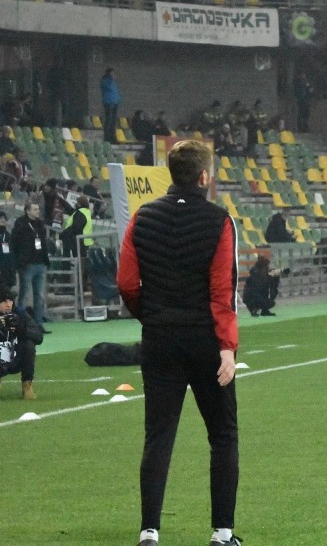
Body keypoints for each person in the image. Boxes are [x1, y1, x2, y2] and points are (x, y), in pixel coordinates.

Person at [116, 140, 242, 546]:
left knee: (159, 434)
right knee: (222, 435)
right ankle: (222, 534)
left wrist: (149, 315)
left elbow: (125, 282)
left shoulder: (143, 217)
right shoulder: (219, 221)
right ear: (205, 176)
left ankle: (149, 531)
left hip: (160, 339)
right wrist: (227, 345)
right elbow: (223, 288)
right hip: (206, 339)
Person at [10, 201, 50, 335]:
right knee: (23, 294)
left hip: (39, 263)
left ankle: (38, 324)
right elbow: (14, 243)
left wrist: (45, 259)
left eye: (38, 209)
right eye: (35, 209)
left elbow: (42, 241)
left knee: (39, 296)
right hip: (27, 265)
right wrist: (20, 261)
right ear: (27, 211)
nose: (38, 211)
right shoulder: (21, 223)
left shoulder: (39, 224)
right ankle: (20, 324)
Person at [0, 285, 43, 400]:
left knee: (29, 344)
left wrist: (21, 330)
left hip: (15, 358)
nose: (8, 304)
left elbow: (39, 337)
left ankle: (27, 384)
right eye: (3, 301)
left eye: (10, 300)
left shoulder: (20, 314)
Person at [100, 68, 121, 144]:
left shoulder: (112, 82)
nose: (114, 75)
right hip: (109, 103)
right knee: (109, 121)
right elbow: (109, 89)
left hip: (114, 102)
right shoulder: (106, 82)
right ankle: (108, 137)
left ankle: (113, 137)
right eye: (112, 74)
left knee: (113, 121)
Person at [0, 211, 14, 290]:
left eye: (4, 218)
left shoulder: (8, 236)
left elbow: (9, 255)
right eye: (0, 218)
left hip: (6, 273)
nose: (3, 220)